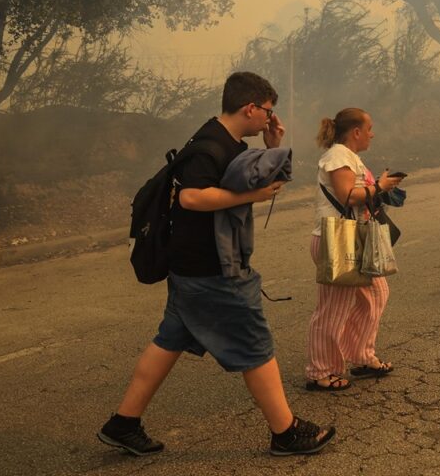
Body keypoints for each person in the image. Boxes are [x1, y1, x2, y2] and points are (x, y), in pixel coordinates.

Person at [98, 72, 335, 457]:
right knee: (254, 344)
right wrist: (255, 195)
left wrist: (272, 146)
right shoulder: (210, 146)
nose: (270, 119)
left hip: (192, 266)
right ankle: (286, 432)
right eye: (268, 112)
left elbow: (247, 172)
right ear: (250, 107)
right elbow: (191, 197)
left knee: (169, 339)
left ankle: (124, 423)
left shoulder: (227, 140)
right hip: (210, 269)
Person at [305, 108, 405, 391]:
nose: (372, 133)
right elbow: (347, 196)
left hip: (353, 240)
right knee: (332, 309)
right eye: (369, 128)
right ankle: (320, 371)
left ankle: (360, 355)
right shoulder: (338, 155)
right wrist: (380, 187)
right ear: (356, 132)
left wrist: (381, 187)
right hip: (336, 241)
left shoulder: (349, 157)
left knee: (376, 294)